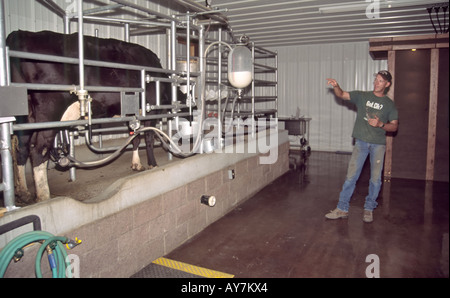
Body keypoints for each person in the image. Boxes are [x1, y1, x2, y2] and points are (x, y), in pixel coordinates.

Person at [325, 70, 399, 223]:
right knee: (351, 177)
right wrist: (336, 86)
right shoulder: (363, 96)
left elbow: (394, 127)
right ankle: (342, 209)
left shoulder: (389, 105)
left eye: (380, 81)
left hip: (378, 145)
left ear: (387, 84)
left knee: (375, 180)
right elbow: (342, 95)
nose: (377, 82)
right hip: (361, 143)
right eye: (376, 79)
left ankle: (369, 209)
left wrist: (380, 124)